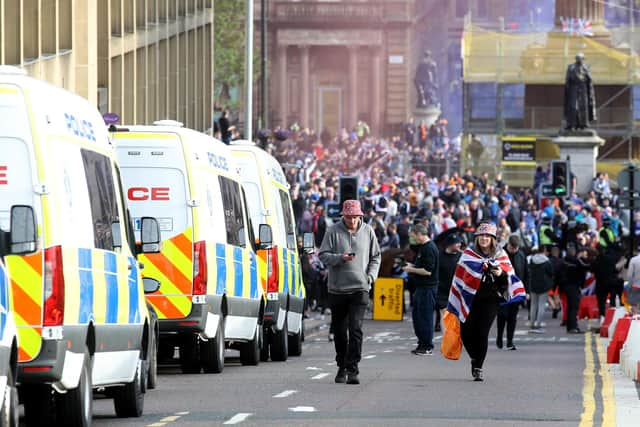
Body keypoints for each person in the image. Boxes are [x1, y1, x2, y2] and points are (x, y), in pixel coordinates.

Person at [447, 222, 526, 381]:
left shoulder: (500, 254)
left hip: (490, 300)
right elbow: (460, 277)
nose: (484, 239)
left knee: (482, 333)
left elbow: (509, 277)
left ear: (492, 239)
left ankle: (478, 367)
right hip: (469, 299)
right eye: (481, 236)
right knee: (466, 333)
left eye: (487, 236)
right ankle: (475, 358)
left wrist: (499, 273)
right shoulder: (469, 253)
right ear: (477, 238)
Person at [319, 199, 381, 385]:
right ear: (343, 216)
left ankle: (353, 368)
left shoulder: (368, 231)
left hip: (359, 288)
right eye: (348, 217)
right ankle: (341, 366)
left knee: (356, 329)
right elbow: (323, 255)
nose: (352, 221)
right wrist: (340, 258)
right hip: (337, 289)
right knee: (339, 332)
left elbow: (376, 256)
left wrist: (370, 277)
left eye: (355, 217)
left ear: (360, 216)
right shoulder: (332, 231)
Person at [402, 223, 439, 356]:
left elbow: (428, 271)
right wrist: (410, 265)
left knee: (425, 318)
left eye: (413, 236)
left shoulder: (429, 248)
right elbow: (421, 265)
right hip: (421, 288)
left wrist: (410, 269)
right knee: (418, 317)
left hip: (427, 288)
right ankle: (422, 343)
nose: (412, 239)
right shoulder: (423, 248)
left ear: (419, 234)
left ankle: (427, 346)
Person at [496, 234, 527, 350]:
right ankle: (499, 336)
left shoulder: (521, 255)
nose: (514, 249)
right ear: (508, 244)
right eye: (512, 247)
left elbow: (526, 274)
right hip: (503, 289)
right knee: (502, 315)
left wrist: (526, 291)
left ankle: (510, 341)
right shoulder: (500, 255)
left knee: (512, 317)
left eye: (516, 248)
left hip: (516, 291)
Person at [435, 232, 463, 332]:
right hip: (442, 292)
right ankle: (447, 338)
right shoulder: (439, 256)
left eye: (460, 242)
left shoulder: (462, 256)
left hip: (457, 292)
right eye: (457, 243)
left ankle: (454, 337)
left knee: (456, 317)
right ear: (450, 244)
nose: (460, 245)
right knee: (445, 315)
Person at [563, 52, 596, 131]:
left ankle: (583, 124)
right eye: (577, 58)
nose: (579, 60)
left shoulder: (586, 67)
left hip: (583, 87)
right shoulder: (570, 67)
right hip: (573, 87)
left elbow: (589, 79)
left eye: (580, 58)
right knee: (572, 106)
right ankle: (571, 124)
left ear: (583, 59)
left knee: (583, 106)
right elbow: (567, 79)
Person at [527, 246, 554, 333]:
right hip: (544, 285)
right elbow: (551, 272)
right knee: (541, 305)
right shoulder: (546, 261)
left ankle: (531, 323)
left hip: (533, 284)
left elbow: (529, 271)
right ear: (544, 250)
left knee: (533, 305)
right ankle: (538, 324)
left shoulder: (532, 260)